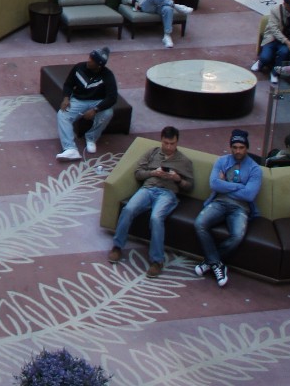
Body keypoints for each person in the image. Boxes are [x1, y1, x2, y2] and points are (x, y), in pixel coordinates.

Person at [107, 126, 194, 277]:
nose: (168, 147)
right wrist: (153, 173)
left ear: (177, 142)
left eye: (172, 144)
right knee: (128, 209)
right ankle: (117, 246)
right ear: (161, 140)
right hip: (148, 189)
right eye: (166, 143)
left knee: (156, 218)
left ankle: (157, 260)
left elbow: (190, 186)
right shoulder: (152, 153)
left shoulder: (184, 161)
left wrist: (178, 179)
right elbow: (138, 174)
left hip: (167, 194)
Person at [192, 129, 262, 288]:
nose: (238, 151)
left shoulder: (255, 169)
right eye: (235, 147)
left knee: (237, 235)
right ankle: (217, 264)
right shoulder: (222, 161)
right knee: (199, 223)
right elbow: (214, 184)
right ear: (231, 147)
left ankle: (211, 261)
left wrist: (226, 185)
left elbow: (249, 195)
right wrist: (239, 187)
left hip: (240, 208)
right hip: (219, 202)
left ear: (247, 148)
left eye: (241, 147)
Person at [55, 47, 117, 161]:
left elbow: (112, 98)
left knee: (108, 113)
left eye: (92, 60)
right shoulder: (79, 67)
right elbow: (68, 84)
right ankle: (70, 148)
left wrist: (96, 109)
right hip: (78, 100)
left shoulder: (108, 75)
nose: (89, 60)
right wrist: (66, 97)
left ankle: (91, 138)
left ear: (99, 65)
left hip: (97, 101)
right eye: (90, 57)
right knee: (62, 115)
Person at [253, 0, 290, 75]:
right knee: (265, 58)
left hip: (287, 40)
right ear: (285, 4)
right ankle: (261, 62)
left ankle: (275, 72)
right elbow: (274, 30)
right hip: (273, 38)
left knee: (284, 52)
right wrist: (286, 41)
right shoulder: (275, 11)